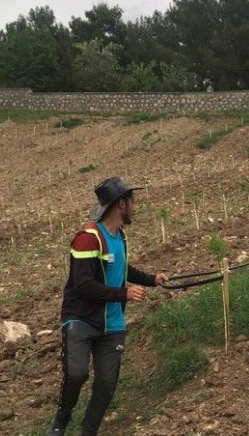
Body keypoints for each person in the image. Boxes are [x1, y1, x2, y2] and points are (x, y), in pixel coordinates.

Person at [48, 177, 168, 436]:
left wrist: (152, 279)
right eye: (133, 201)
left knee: (106, 384)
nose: (136, 206)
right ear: (121, 204)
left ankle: (87, 432)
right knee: (77, 373)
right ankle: (62, 417)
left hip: (112, 323)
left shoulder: (120, 238)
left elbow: (123, 269)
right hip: (81, 319)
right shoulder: (87, 239)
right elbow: (82, 285)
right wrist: (123, 294)